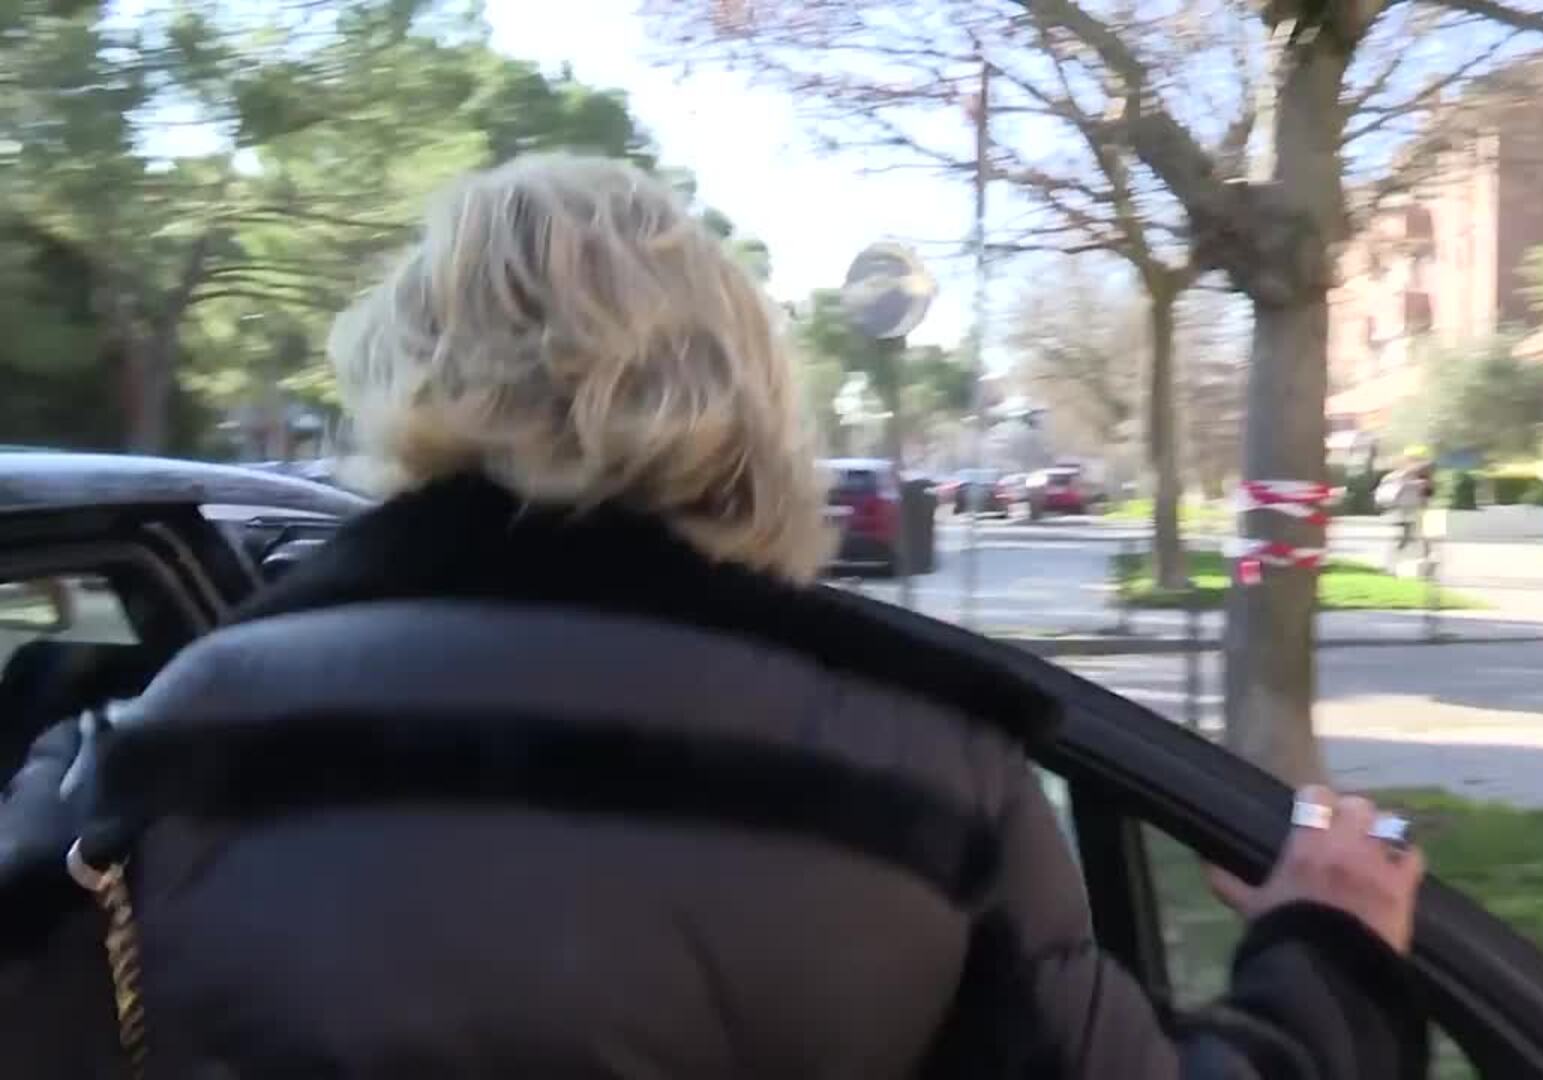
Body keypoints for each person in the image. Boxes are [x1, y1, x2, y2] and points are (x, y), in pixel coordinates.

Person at [0, 154, 1427, 1078]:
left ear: (409, 380)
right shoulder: (922, 766)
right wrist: (1330, 959)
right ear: (743, 397)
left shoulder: (148, 748)